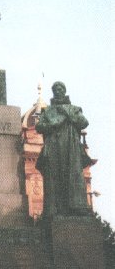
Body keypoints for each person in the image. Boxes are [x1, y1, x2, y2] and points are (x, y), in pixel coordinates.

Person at [35, 81, 92, 217]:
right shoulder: (47, 110)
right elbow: (39, 127)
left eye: (60, 88)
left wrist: (68, 114)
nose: (58, 91)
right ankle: (55, 209)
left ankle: (77, 207)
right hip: (54, 146)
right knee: (54, 177)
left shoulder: (73, 109)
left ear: (64, 91)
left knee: (73, 175)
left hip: (70, 147)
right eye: (55, 89)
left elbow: (84, 122)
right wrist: (53, 124)